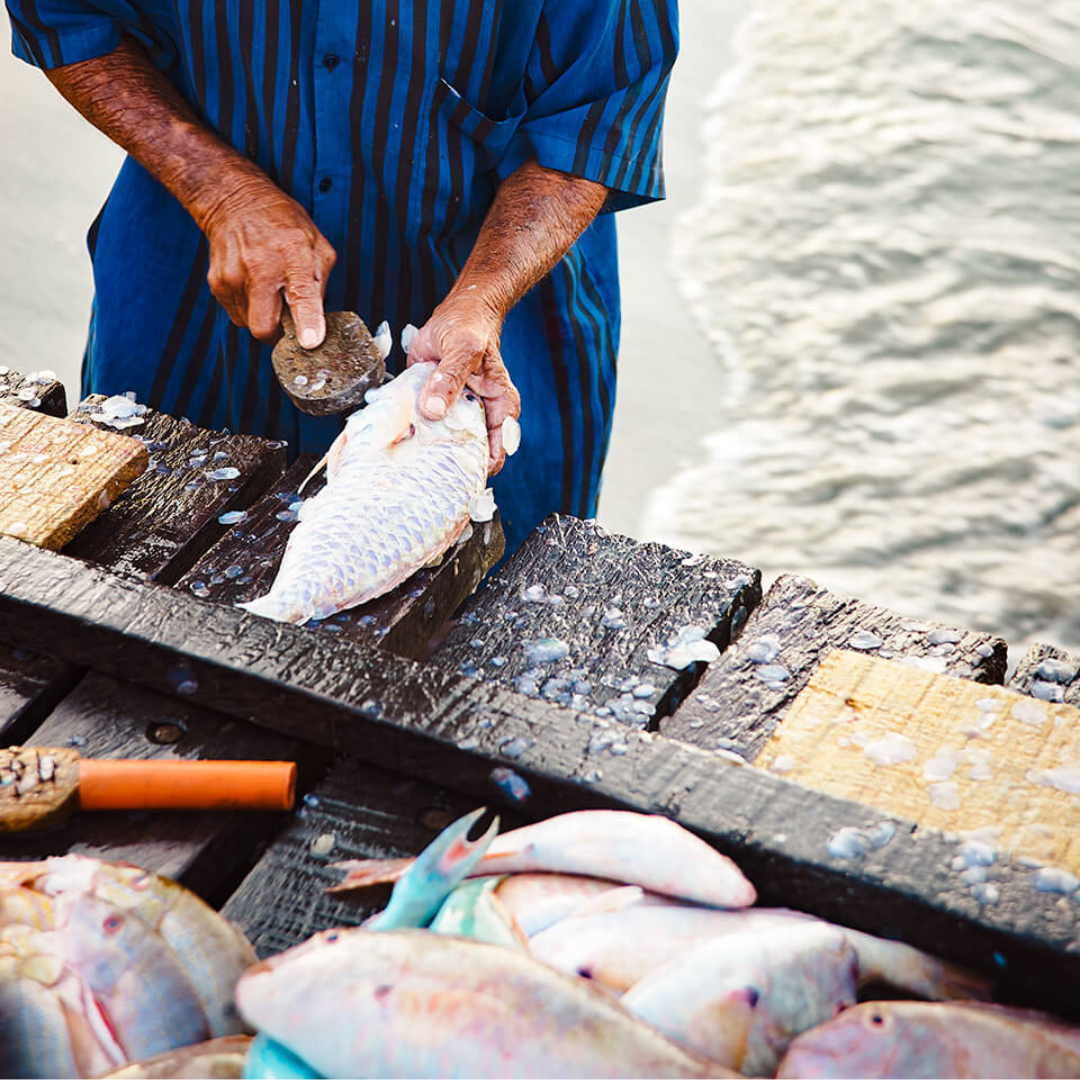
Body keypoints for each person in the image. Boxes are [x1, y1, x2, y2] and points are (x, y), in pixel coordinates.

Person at [6, 2, 678, 554]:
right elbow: (65, 14)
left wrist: (482, 298)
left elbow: (596, 118)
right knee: (132, 575)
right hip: (191, 285)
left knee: (478, 628)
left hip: (497, 313)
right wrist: (218, 188)